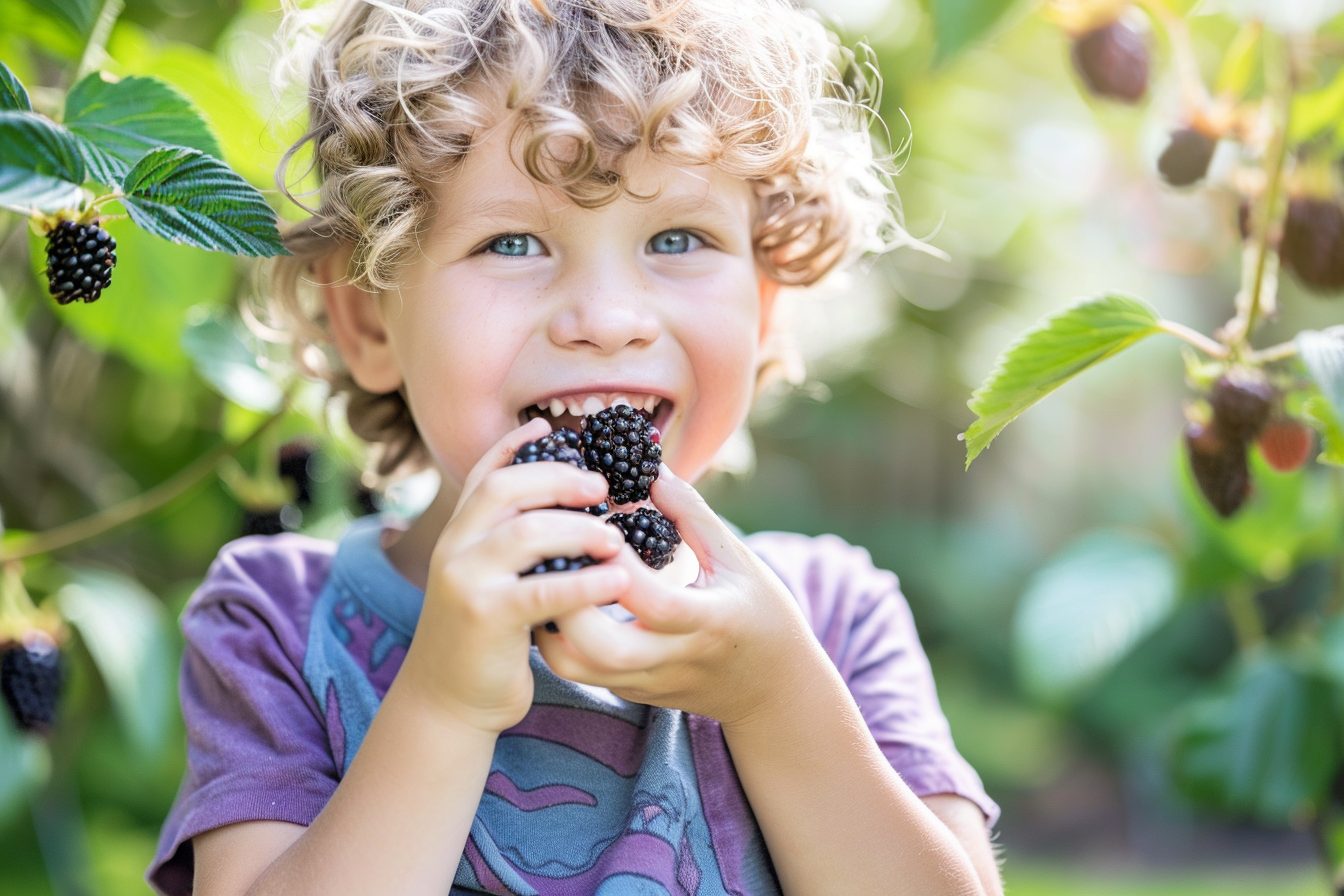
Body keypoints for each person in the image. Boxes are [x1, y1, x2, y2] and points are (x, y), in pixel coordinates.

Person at [148, 1, 1002, 894]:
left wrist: (776, 700)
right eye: (512, 242)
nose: (607, 321)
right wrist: (444, 702)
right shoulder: (277, 625)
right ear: (366, 318)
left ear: (765, 307)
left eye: (679, 238)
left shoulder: (833, 624)